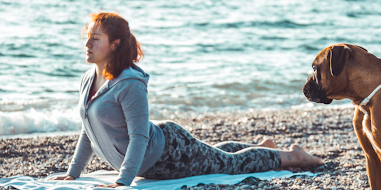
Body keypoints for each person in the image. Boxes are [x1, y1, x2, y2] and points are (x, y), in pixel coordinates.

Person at [51, 12, 323, 188]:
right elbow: (89, 130)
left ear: (115, 44)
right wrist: (72, 173)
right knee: (216, 154)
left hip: (169, 153)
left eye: (95, 38)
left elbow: (139, 138)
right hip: (159, 154)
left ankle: (291, 156)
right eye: (87, 37)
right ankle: (261, 145)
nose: (87, 43)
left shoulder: (129, 83)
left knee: (230, 165)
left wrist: (123, 182)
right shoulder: (89, 80)